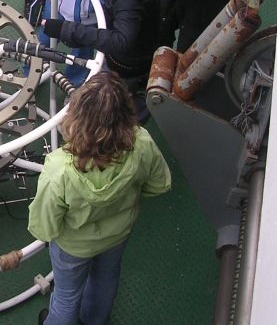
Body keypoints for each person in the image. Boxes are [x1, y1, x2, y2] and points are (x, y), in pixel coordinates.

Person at [28, 71, 171, 325]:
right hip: (117, 236)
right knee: (105, 281)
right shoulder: (142, 143)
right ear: (126, 112)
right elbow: (159, 184)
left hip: (73, 247)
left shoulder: (59, 169)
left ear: (77, 116)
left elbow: (44, 227)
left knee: (67, 297)